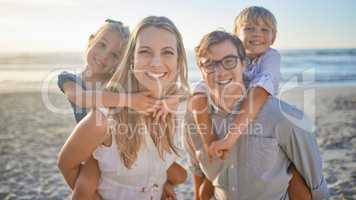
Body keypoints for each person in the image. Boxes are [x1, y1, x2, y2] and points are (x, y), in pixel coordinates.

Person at [184, 30, 328, 200]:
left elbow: (315, 180)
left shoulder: (283, 118)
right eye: (209, 64)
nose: (220, 72)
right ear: (201, 70)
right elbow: (197, 172)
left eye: (229, 61)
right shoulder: (193, 119)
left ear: (244, 64)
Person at [57, 16, 188, 200]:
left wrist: (173, 99)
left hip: (114, 140)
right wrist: (130, 101)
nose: (104, 57)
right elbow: (82, 98)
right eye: (145, 51)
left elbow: (190, 92)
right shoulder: (73, 80)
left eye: (114, 55)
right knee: (85, 187)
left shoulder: (111, 79)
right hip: (92, 148)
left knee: (180, 175)